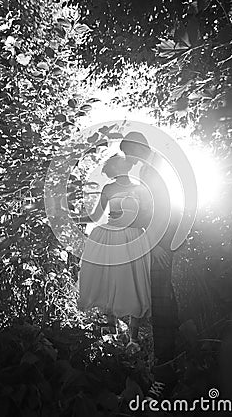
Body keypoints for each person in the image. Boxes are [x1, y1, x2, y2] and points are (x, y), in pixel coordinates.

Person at [120, 131, 180, 397]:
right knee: (165, 302)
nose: (127, 159)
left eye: (128, 153)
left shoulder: (152, 171)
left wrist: (156, 244)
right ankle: (175, 361)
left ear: (138, 148)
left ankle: (165, 376)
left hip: (162, 243)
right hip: (165, 240)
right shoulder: (152, 167)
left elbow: (163, 208)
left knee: (162, 305)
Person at [73, 154, 152, 349]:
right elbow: (95, 216)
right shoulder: (108, 189)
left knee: (134, 281)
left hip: (132, 237)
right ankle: (112, 331)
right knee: (109, 279)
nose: (115, 171)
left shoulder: (141, 188)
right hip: (110, 235)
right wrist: (73, 218)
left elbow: (147, 216)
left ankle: (133, 339)